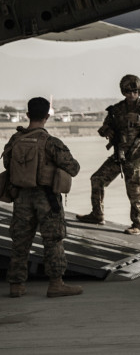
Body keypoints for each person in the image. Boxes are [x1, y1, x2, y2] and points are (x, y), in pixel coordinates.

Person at [4, 97, 82, 298]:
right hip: (46, 199)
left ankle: (16, 286)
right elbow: (73, 168)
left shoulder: (15, 140)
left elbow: (7, 165)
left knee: (20, 241)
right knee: (53, 240)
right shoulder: (51, 142)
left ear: (27, 115)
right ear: (47, 116)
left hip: (21, 197)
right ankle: (56, 284)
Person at [76, 74, 140, 234]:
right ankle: (97, 214)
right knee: (97, 179)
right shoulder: (117, 109)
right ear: (123, 92)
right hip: (119, 155)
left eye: (135, 91)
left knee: (134, 190)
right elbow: (103, 127)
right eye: (128, 92)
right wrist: (108, 131)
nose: (132, 95)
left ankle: (138, 225)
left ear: (139, 91)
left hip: (135, 156)